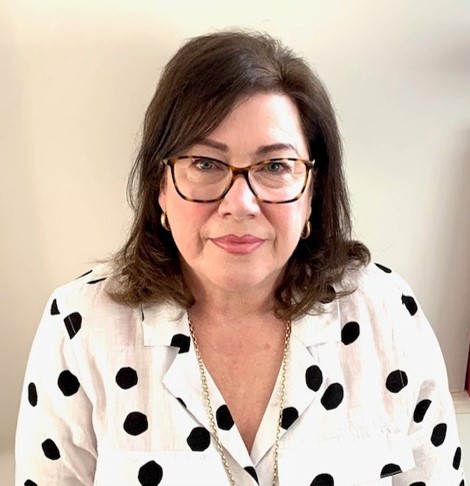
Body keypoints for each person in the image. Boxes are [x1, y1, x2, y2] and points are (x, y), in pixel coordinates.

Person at [15, 30, 465, 486]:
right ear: (160, 187)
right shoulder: (80, 326)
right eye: (205, 163)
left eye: (275, 166)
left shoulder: (385, 314)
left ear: (312, 191)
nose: (240, 204)